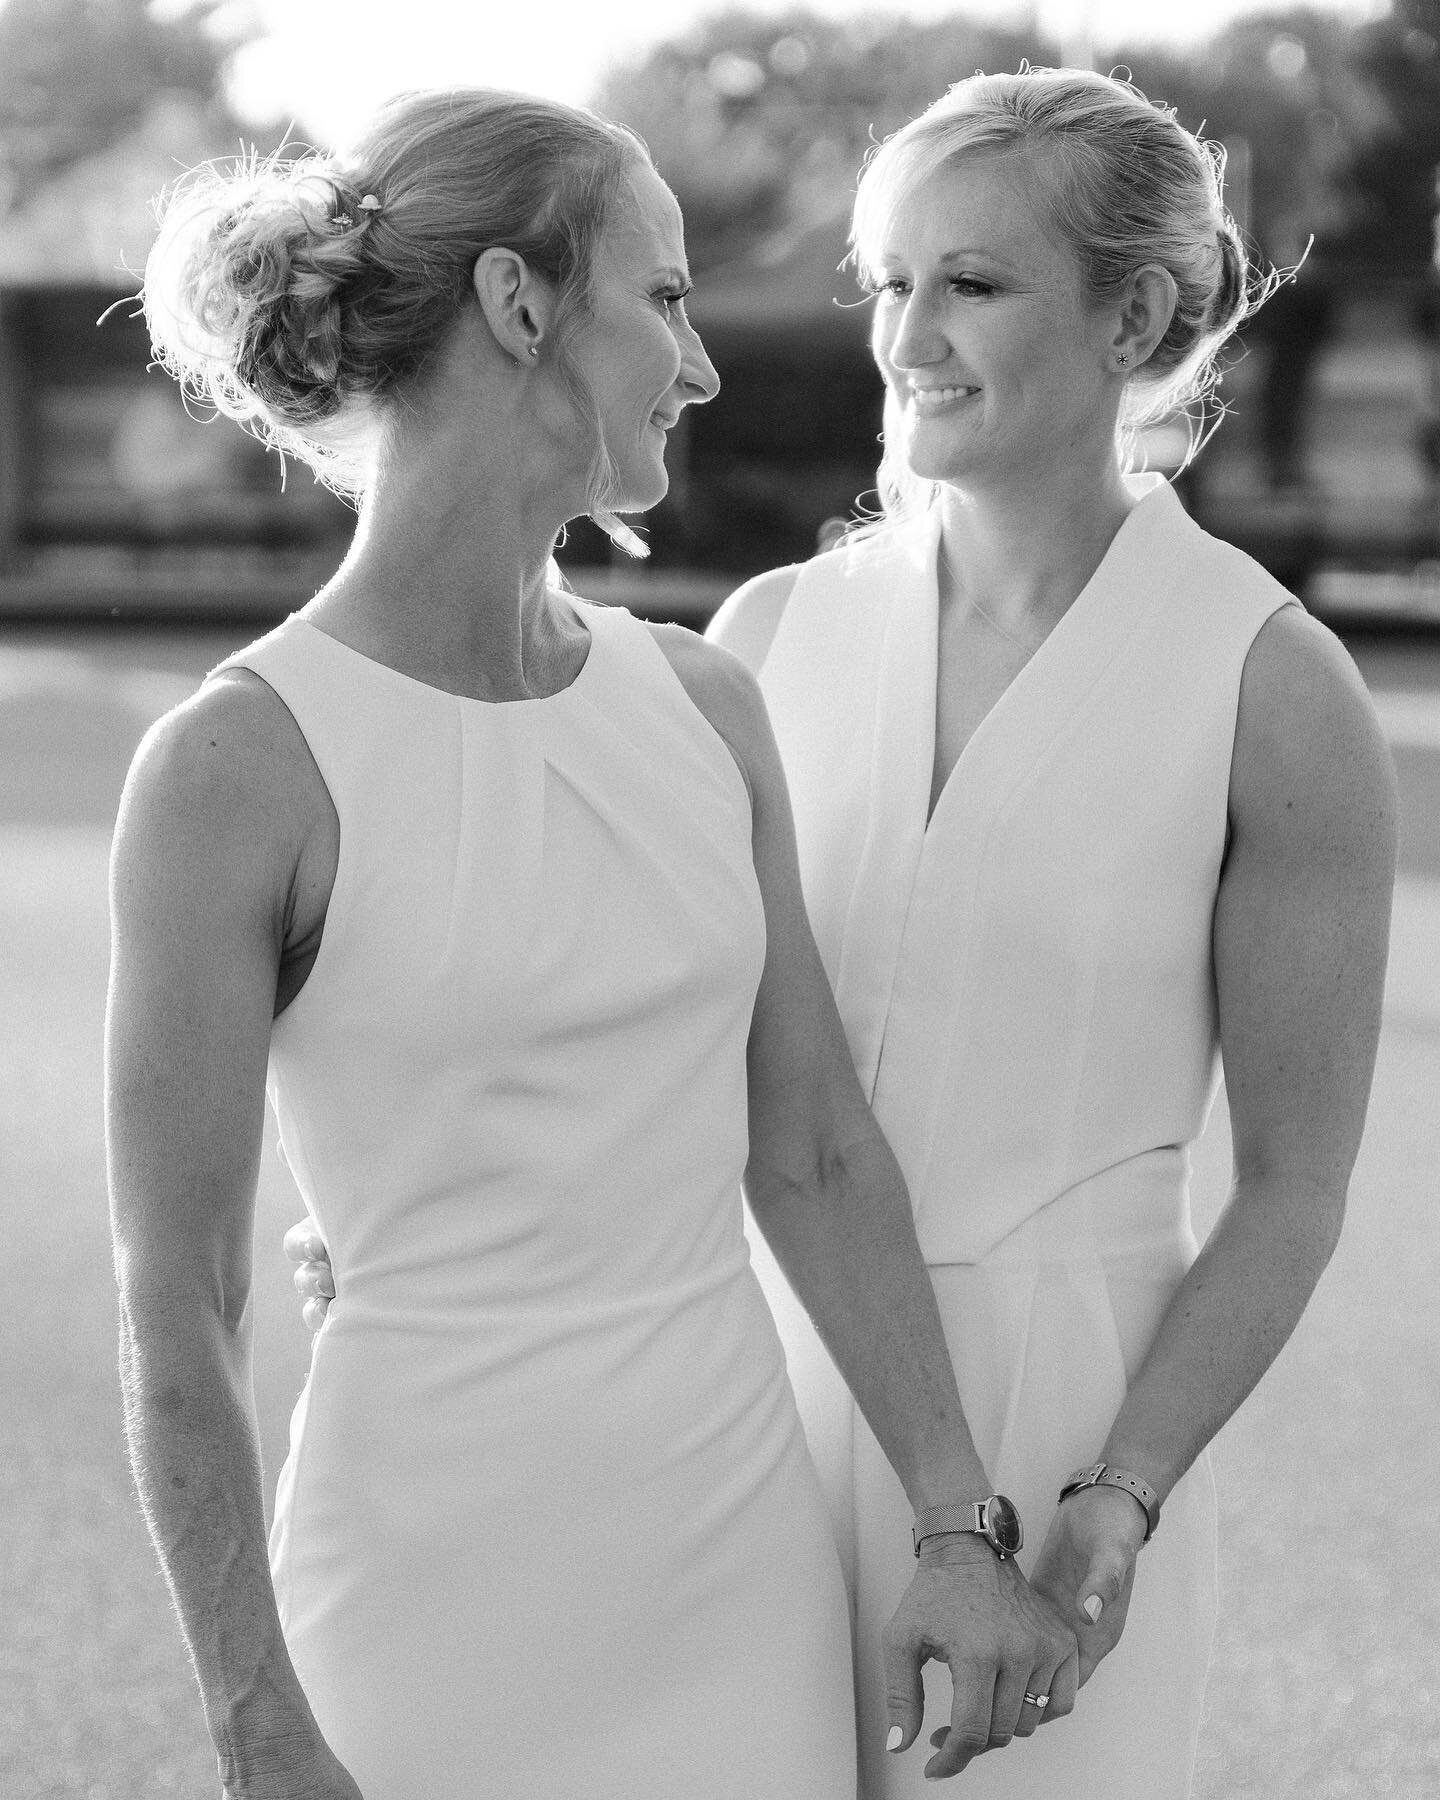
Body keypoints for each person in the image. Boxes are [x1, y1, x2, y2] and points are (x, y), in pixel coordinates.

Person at [105, 89, 1080, 1800]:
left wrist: (956, 1528)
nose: (698, 366)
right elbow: (179, 1308)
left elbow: (819, 1152)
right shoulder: (235, 765)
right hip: (416, 1603)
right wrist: (257, 1720)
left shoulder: (702, 702)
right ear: (520, 304)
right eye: (672, 299)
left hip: (732, 1590)